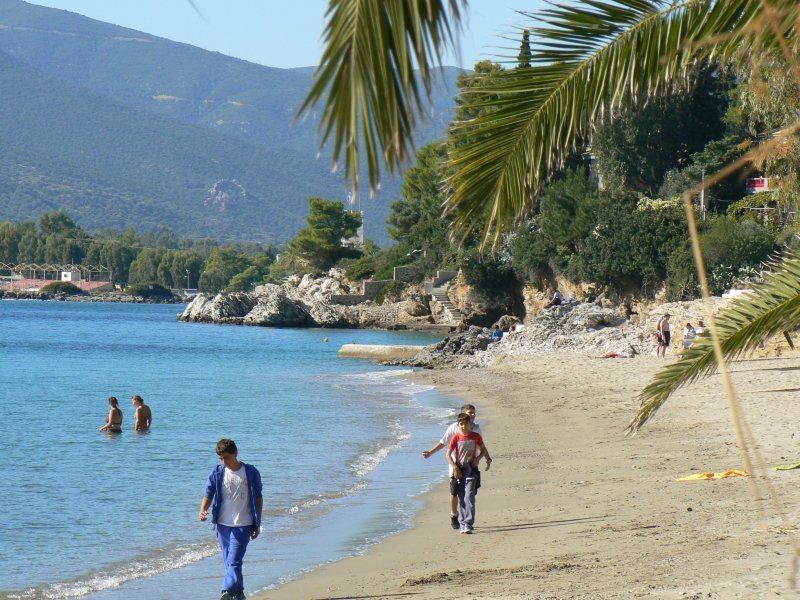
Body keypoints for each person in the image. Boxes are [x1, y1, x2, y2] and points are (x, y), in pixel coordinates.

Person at [200, 439, 263, 600]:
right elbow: (208, 493)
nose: (224, 462)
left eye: (227, 457)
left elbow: (258, 497)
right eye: (221, 458)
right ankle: (239, 593)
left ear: (236, 453)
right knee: (230, 561)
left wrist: (258, 522)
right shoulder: (217, 473)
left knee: (234, 561)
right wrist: (203, 510)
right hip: (222, 524)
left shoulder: (250, 472)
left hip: (243, 523)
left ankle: (226, 592)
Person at [422, 404, 485, 529]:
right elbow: (443, 442)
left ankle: (466, 521)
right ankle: (454, 515)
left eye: (474, 412)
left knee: (469, 494)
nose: (473, 415)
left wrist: (486, 458)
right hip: (455, 465)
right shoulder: (454, 429)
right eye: (470, 413)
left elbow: (481, 446)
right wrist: (430, 452)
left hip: (471, 467)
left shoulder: (476, 430)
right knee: (455, 493)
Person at [447, 413, 491, 534]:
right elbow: (448, 455)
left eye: (466, 424)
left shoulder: (475, 436)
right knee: (462, 498)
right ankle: (463, 523)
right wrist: (455, 468)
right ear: (458, 425)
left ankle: (468, 523)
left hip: (471, 470)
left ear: (469, 424)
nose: (463, 426)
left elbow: (483, 449)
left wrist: (478, 459)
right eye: (461, 424)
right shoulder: (456, 437)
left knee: (469, 497)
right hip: (460, 471)